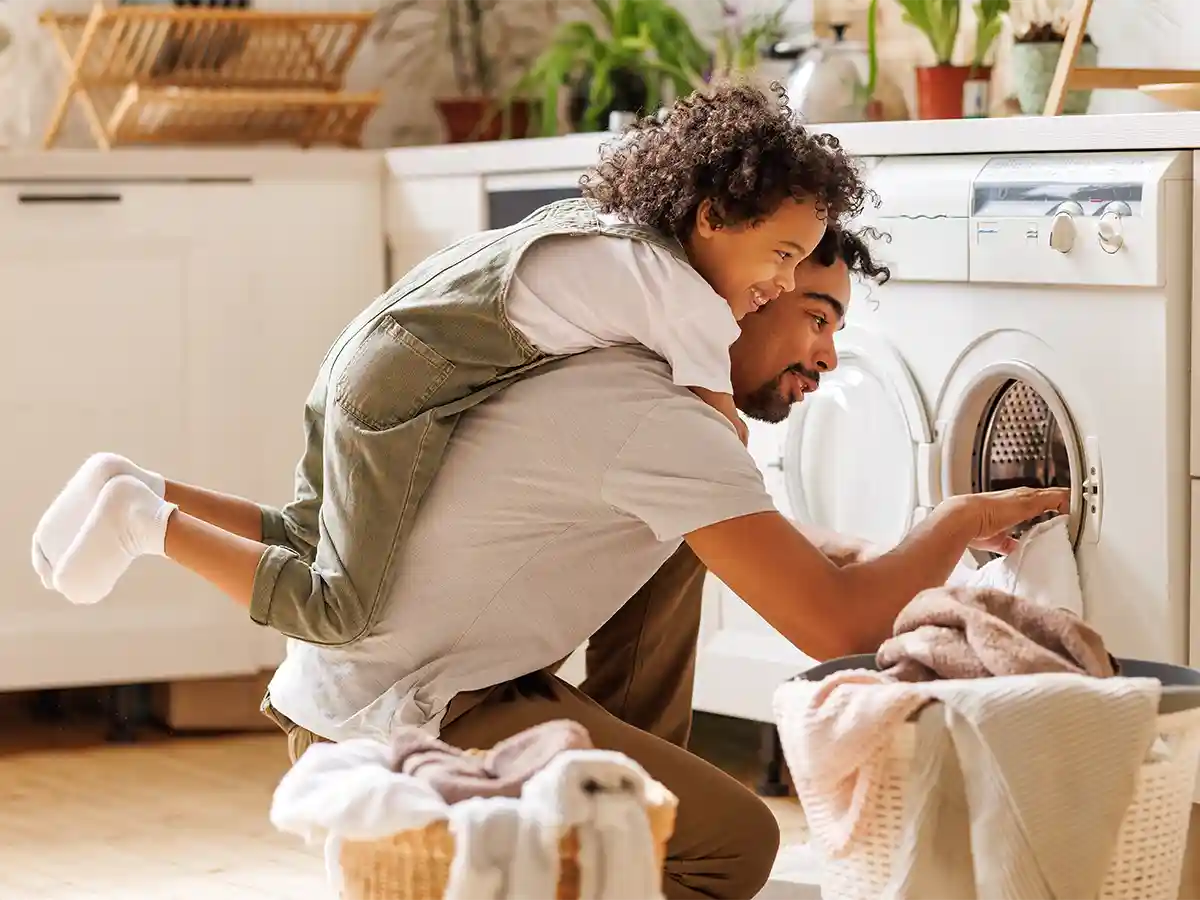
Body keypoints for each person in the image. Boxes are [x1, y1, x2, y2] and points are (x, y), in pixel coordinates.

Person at [30, 225, 1067, 900]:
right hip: (413, 709)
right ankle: (626, 847)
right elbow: (837, 627)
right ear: (750, 295)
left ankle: (624, 821)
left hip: (405, 675)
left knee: (692, 547)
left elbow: (771, 552)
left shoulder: (638, 388)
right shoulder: (656, 422)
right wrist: (951, 522)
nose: (830, 356)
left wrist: (892, 550)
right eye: (815, 315)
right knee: (737, 848)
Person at [30, 81, 873, 648]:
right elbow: (716, 447)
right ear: (714, 215)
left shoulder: (619, 238)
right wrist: (810, 552)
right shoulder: (683, 300)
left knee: (302, 533)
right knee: (340, 611)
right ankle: (146, 523)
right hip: (403, 393)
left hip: (366, 360)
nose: (781, 282)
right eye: (784, 255)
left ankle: (139, 479)